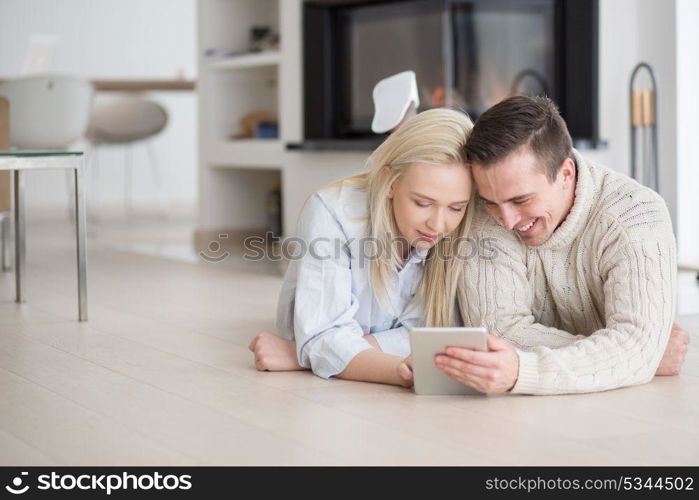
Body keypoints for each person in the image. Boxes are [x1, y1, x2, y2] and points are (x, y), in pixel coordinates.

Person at [428, 95, 690, 395]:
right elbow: (499, 332)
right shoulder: (489, 209)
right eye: (491, 203)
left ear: (566, 173)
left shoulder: (636, 215)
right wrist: (627, 354)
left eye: (521, 200)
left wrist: (524, 369)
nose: (508, 220)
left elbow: (635, 346)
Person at [249, 108, 475, 386]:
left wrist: (306, 355)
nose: (438, 225)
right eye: (423, 203)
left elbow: (435, 332)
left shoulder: (463, 228)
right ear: (390, 181)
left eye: (456, 207)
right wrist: (396, 370)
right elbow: (323, 335)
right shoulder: (331, 212)